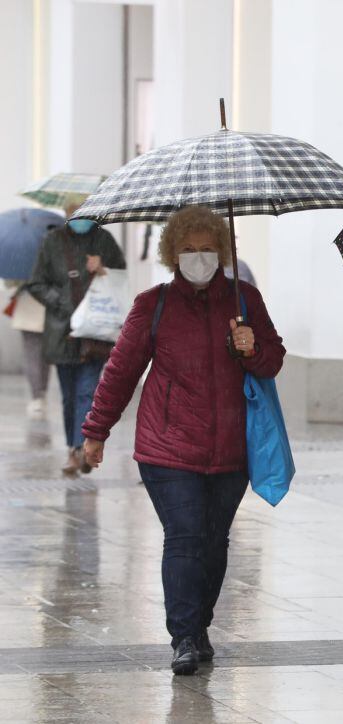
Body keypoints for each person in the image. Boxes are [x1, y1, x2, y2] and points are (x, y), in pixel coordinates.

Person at [80, 205, 285, 675]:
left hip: (232, 448)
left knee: (215, 543)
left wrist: (252, 348)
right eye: (189, 250)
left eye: (207, 249)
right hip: (168, 447)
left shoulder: (244, 300)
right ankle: (185, 636)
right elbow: (121, 372)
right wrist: (96, 430)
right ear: (172, 254)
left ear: (223, 250)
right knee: (186, 537)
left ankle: (200, 624)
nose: (199, 257)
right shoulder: (153, 305)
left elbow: (272, 361)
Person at [27, 208, 125, 474]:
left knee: (86, 391)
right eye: (74, 209)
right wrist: (63, 302)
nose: (79, 214)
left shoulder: (103, 240)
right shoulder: (52, 241)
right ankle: (72, 448)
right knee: (69, 396)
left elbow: (121, 277)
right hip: (61, 332)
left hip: (94, 333)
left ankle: (82, 448)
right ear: (66, 211)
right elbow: (36, 283)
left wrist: (102, 269)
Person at [5, 279, 50, 418]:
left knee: (32, 356)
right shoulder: (49, 258)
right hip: (48, 308)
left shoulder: (21, 262)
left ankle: (37, 397)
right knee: (44, 357)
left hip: (27, 308)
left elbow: (9, 283)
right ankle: (41, 393)